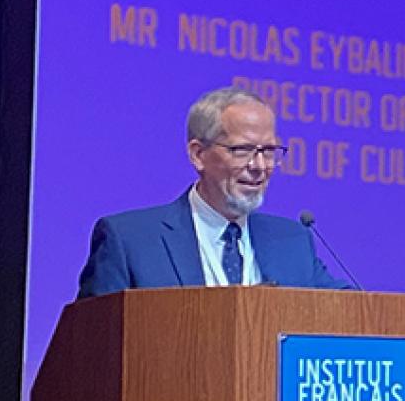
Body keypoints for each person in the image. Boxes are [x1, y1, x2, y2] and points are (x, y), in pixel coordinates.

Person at [76, 87, 351, 298]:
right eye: (242, 150)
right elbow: (93, 345)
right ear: (198, 155)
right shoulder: (130, 241)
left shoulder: (292, 241)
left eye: (268, 151)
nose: (259, 166)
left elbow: (348, 313)